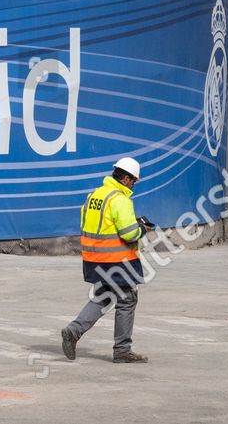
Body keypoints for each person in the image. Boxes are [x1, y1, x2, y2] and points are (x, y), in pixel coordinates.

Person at [60, 156, 152, 364]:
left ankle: (74, 331)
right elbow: (129, 234)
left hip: (94, 258)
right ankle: (122, 350)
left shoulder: (95, 195)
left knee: (104, 297)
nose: (134, 185)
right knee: (127, 299)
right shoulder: (120, 199)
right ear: (127, 179)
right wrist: (142, 229)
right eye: (134, 181)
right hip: (117, 259)